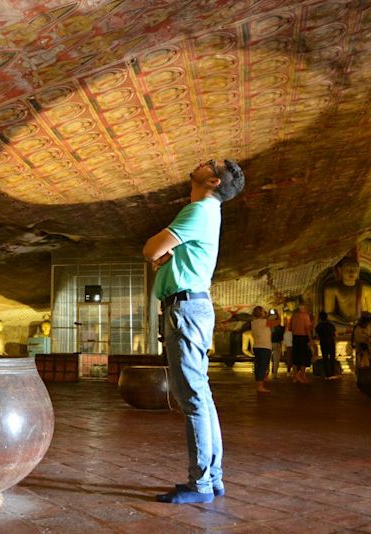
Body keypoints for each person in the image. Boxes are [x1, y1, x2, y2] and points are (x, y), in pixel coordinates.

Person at [142, 158, 245, 504]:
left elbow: (151, 249)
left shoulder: (199, 211)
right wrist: (167, 255)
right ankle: (212, 478)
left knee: (194, 401)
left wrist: (162, 253)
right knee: (202, 398)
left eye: (210, 164)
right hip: (193, 307)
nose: (203, 162)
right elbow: (167, 255)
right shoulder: (207, 213)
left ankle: (200, 484)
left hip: (185, 310)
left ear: (214, 181)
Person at [323, 255, 371, 326]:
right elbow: (328, 314)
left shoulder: (368, 289)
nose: (351, 272)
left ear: (359, 270)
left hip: (362, 323)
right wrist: (345, 322)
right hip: (341, 323)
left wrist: (362, 321)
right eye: (348, 269)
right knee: (326, 327)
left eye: (355, 269)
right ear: (340, 270)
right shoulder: (331, 288)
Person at [250, 306, 276, 393]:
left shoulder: (253, 322)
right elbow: (277, 322)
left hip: (257, 346)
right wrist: (275, 313)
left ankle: (260, 382)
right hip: (265, 346)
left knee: (258, 366)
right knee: (263, 366)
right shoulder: (265, 322)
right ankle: (260, 386)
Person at [288, 302, 313, 384]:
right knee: (304, 357)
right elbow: (307, 329)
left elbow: (290, 328)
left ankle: (295, 376)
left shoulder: (293, 316)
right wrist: (310, 339)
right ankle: (302, 375)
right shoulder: (305, 316)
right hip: (303, 337)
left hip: (295, 338)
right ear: (304, 308)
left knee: (295, 357)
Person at [314, 311, 338, 379]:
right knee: (332, 357)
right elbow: (335, 334)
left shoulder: (319, 326)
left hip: (323, 342)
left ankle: (327, 374)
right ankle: (332, 373)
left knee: (325, 358)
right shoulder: (331, 325)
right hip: (331, 342)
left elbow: (317, 336)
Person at [270, 311, 284, 379]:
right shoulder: (279, 327)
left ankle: (266, 374)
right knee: (276, 360)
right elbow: (281, 336)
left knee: (267, 360)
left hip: (268, 343)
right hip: (277, 343)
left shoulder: (268, 326)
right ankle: (274, 374)